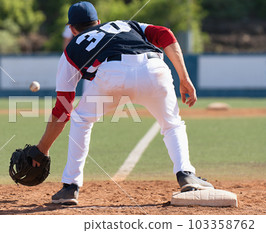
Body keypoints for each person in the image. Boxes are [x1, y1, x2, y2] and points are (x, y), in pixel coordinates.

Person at [33, 1, 214, 205]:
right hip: (154, 69)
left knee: (81, 119)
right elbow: (165, 34)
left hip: (112, 75)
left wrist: (42, 149)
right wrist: (184, 77)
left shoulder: (72, 48)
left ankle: (70, 187)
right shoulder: (125, 24)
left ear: (72, 29)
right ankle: (186, 174)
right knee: (172, 124)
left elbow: (63, 109)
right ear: (99, 21)